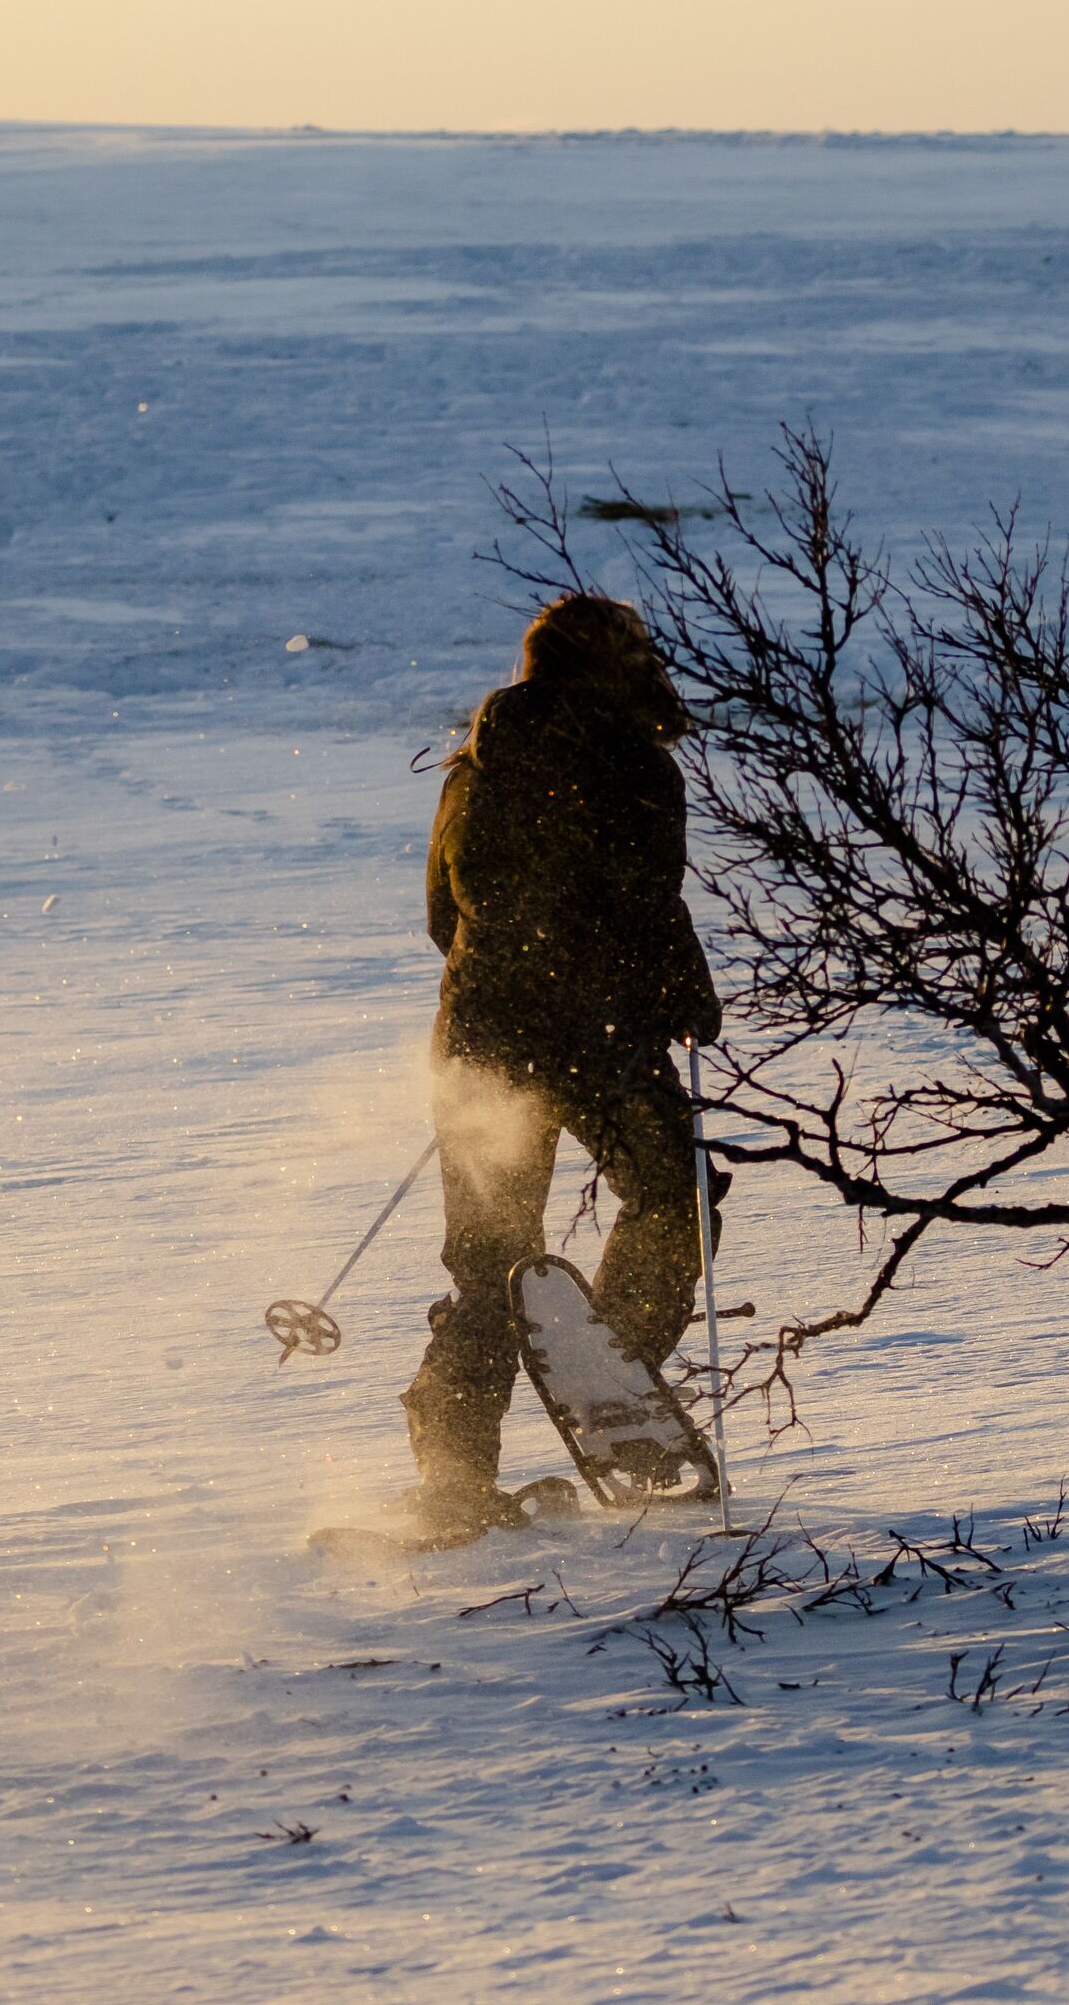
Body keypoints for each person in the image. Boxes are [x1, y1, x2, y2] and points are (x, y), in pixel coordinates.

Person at [404, 592, 723, 1531]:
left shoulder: (473, 766)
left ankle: (454, 1480)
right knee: (673, 1193)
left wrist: (503, 987)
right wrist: (684, 998)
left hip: (481, 1042)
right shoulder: (635, 767)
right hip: (599, 1038)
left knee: (490, 1259)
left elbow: (440, 918)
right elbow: (649, 904)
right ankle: (609, 1371)